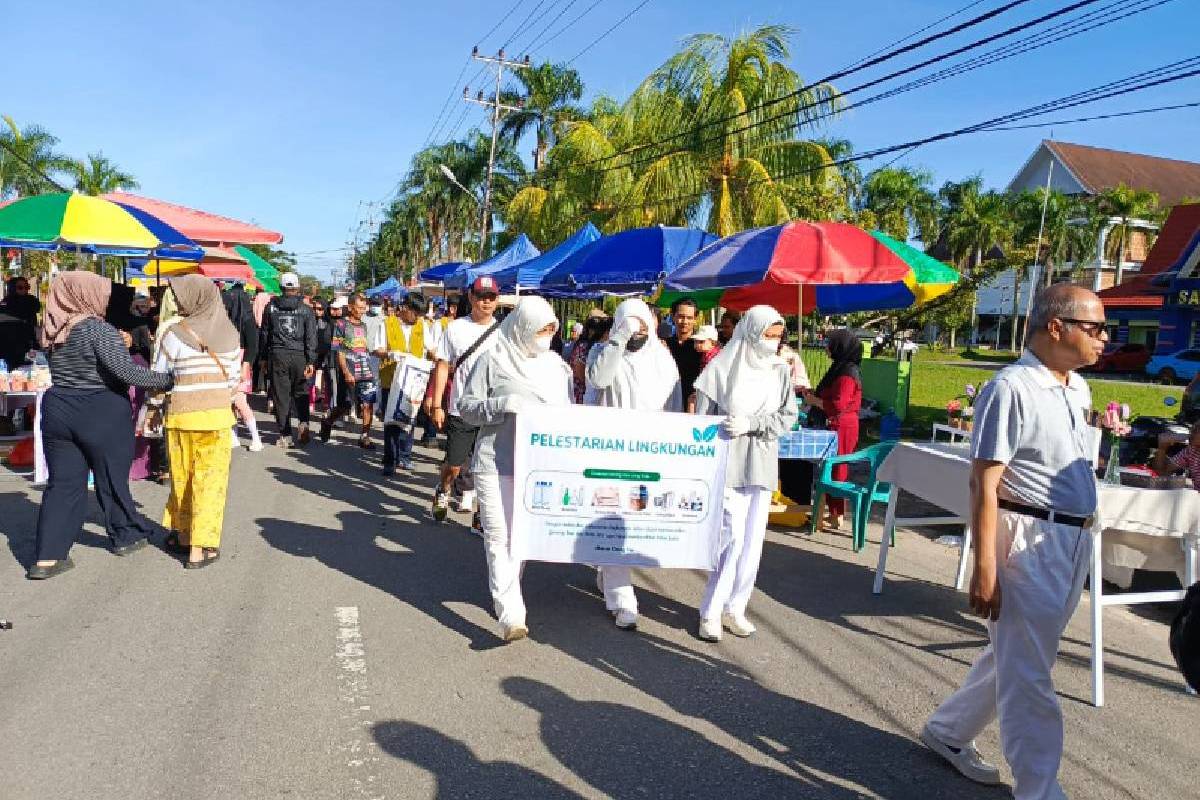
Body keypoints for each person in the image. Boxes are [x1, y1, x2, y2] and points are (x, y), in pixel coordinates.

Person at [921, 284, 1106, 799]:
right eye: (1094, 327)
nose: (1104, 338)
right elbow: (983, 482)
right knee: (1030, 675)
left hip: (1071, 538)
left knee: (1020, 653)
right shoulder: (1011, 388)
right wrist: (985, 569)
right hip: (1027, 536)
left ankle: (949, 730)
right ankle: (1039, 789)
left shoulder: (1077, 388)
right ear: (1056, 327)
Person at [27, 272, 173, 580]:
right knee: (111, 478)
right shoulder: (97, 328)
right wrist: (169, 379)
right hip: (100, 409)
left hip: (58, 407)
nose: (105, 299)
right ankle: (125, 535)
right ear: (85, 295)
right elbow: (127, 373)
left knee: (62, 485)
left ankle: (48, 557)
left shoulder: (52, 328)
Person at [458, 297, 572, 642]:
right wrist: (501, 405)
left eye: (551, 330)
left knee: (518, 536)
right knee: (498, 535)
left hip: (536, 466)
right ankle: (510, 614)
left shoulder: (556, 367)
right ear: (522, 327)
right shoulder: (492, 359)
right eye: (540, 330)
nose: (546, 337)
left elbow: (568, 412)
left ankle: (508, 591)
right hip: (495, 461)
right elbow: (467, 407)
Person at [693, 306, 797, 642]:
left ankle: (736, 607)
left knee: (752, 542)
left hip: (761, 464)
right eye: (767, 335)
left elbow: (788, 416)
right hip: (727, 463)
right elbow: (702, 423)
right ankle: (711, 611)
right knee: (731, 538)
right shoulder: (720, 369)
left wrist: (753, 424)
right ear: (751, 332)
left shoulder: (779, 371)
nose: (772, 342)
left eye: (777, 336)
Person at [586, 299, 683, 629]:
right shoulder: (603, 354)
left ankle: (608, 569)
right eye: (629, 324)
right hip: (611, 452)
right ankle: (622, 599)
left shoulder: (663, 361)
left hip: (649, 455)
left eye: (641, 324)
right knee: (615, 518)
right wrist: (619, 339)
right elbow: (598, 382)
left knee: (634, 521)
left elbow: (674, 409)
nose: (635, 331)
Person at [148, 275, 242, 570]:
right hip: (216, 418)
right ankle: (199, 551)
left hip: (181, 416)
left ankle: (184, 535)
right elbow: (233, 382)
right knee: (210, 483)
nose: (177, 301)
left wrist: (153, 407)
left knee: (183, 479)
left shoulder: (171, 333)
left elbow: (158, 378)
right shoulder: (230, 334)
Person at [427, 277, 502, 521]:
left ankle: (482, 516)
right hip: (461, 408)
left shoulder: (504, 332)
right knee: (454, 465)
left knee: (487, 468)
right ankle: (443, 488)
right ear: (471, 297)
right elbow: (442, 365)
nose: (486, 302)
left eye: (491, 297)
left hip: (492, 410)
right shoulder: (456, 328)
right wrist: (437, 404)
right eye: (481, 296)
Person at [801, 330, 863, 531]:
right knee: (829, 467)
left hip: (842, 426)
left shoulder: (848, 373)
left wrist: (814, 401)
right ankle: (832, 511)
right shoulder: (839, 368)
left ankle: (837, 515)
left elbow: (838, 404)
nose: (826, 347)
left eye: (831, 343)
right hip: (834, 424)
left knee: (837, 468)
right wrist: (813, 395)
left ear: (841, 347)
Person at [377, 293, 436, 474]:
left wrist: (439, 361)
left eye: (420, 315)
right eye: (415, 313)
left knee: (409, 420)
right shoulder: (387, 323)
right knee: (391, 421)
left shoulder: (422, 325)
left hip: (413, 382)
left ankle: (404, 456)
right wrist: (390, 354)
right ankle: (390, 460)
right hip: (391, 379)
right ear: (405, 308)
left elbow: (431, 349)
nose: (417, 318)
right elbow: (378, 349)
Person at [260, 273, 317, 447]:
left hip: (278, 355)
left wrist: (263, 358)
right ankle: (303, 423)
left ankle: (285, 435)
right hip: (300, 356)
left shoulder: (271, 308)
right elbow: (311, 337)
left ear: (281, 288)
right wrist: (311, 361)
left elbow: (265, 334)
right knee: (301, 392)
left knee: (281, 396)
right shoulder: (306, 310)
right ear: (297, 288)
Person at [321, 294, 378, 449]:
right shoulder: (340, 324)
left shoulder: (364, 325)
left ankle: (365, 436)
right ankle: (327, 421)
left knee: (368, 403)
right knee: (344, 406)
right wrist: (346, 372)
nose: (362, 311)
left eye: (364, 308)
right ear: (351, 307)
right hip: (348, 370)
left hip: (365, 370)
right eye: (359, 308)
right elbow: (338, 351)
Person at [222, 282, 262, 451]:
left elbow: (253, 346)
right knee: (229, 403)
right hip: (227, 361)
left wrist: (246, 365)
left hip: (241, 362)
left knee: (239, 401)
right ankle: (234, 436)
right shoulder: (226, 319)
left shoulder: (248, 320)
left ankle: (256, 438)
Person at [664, 298, 702, 406]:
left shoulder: (702, 347)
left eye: (689, 318)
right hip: (669, 403)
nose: (685, 322)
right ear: (673, 316)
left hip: (694, 404)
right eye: (681, 316)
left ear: (695, 319)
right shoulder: (664, 345)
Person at [568, 315, 611, 404]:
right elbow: (579, 369)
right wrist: (591, 383)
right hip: (581, 391)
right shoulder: (587, 347)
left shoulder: (590, 346)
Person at [1153, 423, 1200, 488]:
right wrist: (1162, 449)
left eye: (1196, 431)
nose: (1191, 433)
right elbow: (1162, 471)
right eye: (1192, 430)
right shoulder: (1191, 450)